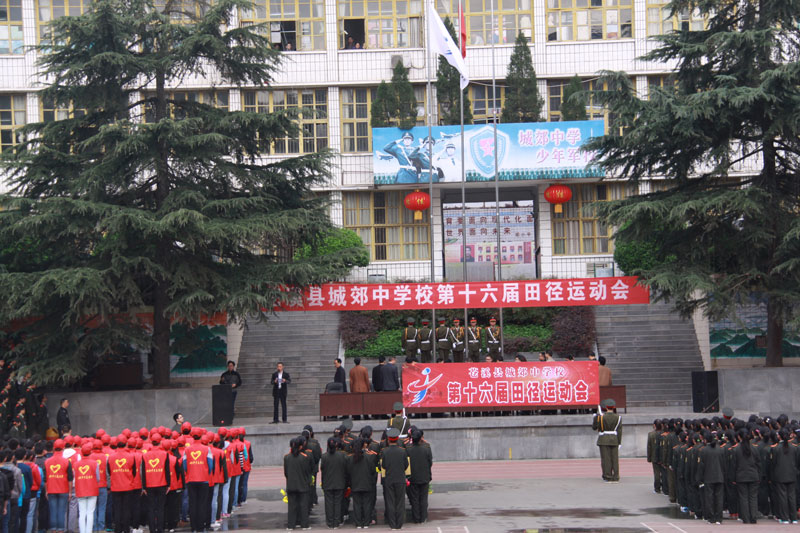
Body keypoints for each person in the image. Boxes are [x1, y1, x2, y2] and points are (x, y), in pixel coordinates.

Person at [769, 427, 799, 524]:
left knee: (782, 496)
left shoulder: (776, 448)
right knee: (791, 496)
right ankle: (793, 517)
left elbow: (773, 463)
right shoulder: (794, 448)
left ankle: (784, 517)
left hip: (780, 475)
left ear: (779, 436)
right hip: (791, 474)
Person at [380, 428, 408, 530]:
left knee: (390, 502)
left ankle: (392, 525)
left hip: (389, 479)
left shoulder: (385, 451)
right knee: (400, 502)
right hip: (400, 479)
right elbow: (406, 465)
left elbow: (383, 466)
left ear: (388, 439)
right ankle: (399, 524)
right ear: (397, 439)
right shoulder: (402, 451)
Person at [347, 437, 378, 529]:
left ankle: (358, 522)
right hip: (367, 482)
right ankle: (366, 522)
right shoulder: (369, 456)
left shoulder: (350, 458)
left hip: (355, 483)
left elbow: (348, 471)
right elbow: (373, 470)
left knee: (357, 503)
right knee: (367, 503)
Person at [731, 428, 760, 524]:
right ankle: (753, 517)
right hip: (753, 475)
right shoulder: (755, 448)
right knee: (753, 497)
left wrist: (733, 478)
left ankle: (746, 518)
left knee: (743, 498)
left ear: (739, 437)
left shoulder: (736, 449)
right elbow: (758, 463)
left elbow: (734, 465)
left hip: (741, 476)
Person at [697, 430, 725, 525]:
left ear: (705, 440)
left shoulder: (704, 450)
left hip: (708, 477)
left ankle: (711, 517)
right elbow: (724, 464)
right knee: (719, 498)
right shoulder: (720, 449)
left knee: (709, 498)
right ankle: (719, 517)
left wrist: (700, 478)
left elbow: (701, 466)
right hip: (719, 476)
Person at [283, 437, 311, 530]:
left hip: (291, 485)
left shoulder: (286, 457)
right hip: (302, 484)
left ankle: (291, 525)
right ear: (300, 447)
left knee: (291, 506)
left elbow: (286, 473)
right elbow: (307, 472)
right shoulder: (304, 457)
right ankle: (304, 525)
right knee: (303, 506)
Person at [592, 399, 622, 483]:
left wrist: (595, 418)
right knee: (615, 459)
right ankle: (616, 476)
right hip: (614, 439)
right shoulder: (618, 417)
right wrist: (619, 442)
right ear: (614, 407)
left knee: (606, 459)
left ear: (605, 407)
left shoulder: (601, 417)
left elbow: (594, 428)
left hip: (604, 439)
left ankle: (607, 475)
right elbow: (619, 431)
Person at [406, 428, 432, 524]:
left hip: (413, 477)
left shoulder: (408, 449)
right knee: (423, 498)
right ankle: (423, 517)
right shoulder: (427, 448)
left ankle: (416, 518)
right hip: (424, 476)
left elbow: (406, 463)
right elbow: (430, 462)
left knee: (415, 499)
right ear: (421, 438)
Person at [320, 437, 347, 529]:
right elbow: (345, 468)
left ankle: (330, 522)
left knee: (328, 503)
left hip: (328, 483)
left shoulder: (324, 456)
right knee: (338, 503)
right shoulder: (342, 456)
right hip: (339, 482)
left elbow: (322, 469)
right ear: (336, 445)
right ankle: (336, 522)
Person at [74, 443, 99, 533]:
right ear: (90, 452)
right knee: (90, 512)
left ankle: (82, 531)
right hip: (92, 489)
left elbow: (74, 477)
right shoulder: (95, 463)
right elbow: (98, 478)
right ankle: (89, 531)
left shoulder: (76, 464)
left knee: (82, 512)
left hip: (80, 489)